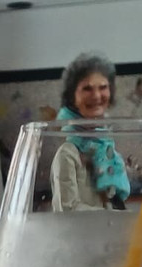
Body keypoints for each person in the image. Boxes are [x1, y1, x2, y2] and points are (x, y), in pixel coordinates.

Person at [50, 52, 130, 212]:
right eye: (87, 88)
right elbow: (67, 209)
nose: (96, 96)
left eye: (103, 87)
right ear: (72, 96)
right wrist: (114, 217)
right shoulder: (68, 154)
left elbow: (111, 203)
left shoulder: (108, 151)